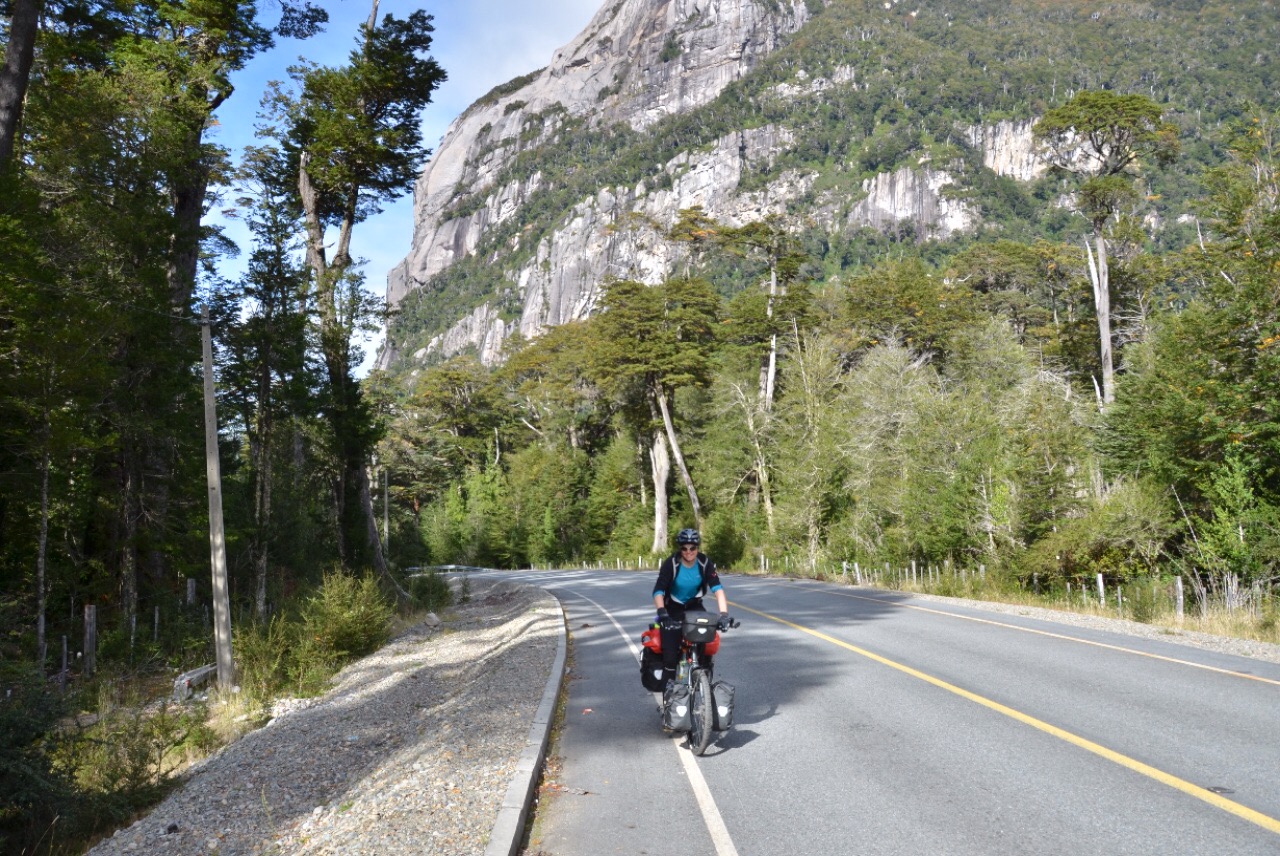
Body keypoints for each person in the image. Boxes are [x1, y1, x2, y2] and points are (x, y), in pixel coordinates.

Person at [651, 528, 731, 685]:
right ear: (680, 549)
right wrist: (662, 614)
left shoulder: (704, 562)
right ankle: (667, 699)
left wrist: (724, 615)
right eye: (684, 548)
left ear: (697, 548)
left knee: (706, 646)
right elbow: (658, 591)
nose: (688, 552)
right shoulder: (671, 564)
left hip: (695, 607)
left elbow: (718, 590)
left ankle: (703, 688)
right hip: (672, 609)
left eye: (692, 548)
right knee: (670, 656)